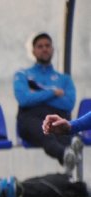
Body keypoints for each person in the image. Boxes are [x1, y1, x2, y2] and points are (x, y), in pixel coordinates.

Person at [14, 32, 81, 175]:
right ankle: (65, 154)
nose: (44, 49)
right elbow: (24, 99)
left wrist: (36, 94)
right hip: (29, 119)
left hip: (57, 117)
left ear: (52, 49)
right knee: (45, 128)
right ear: (33, 51)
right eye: (40, 46)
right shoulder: (22, 74)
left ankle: (69, 177)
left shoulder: (65, 79)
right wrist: (52, 92)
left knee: (59, 124)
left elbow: (68, 103)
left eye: (47, 46)